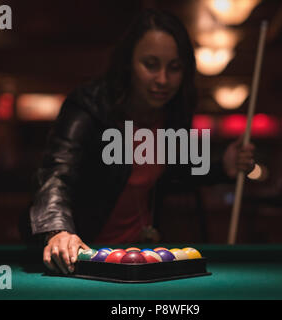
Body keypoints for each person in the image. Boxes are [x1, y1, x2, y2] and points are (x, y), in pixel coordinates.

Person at [27, 9, 255, 274]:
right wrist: (58, 230)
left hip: (137, 258)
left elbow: (175, 171)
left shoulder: (174, 112)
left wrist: (221, 167)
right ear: (128, 63)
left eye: (174, 68)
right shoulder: (89, 106)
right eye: (150, 64)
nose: (162, 80)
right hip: (83, 257)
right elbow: (57, 173)